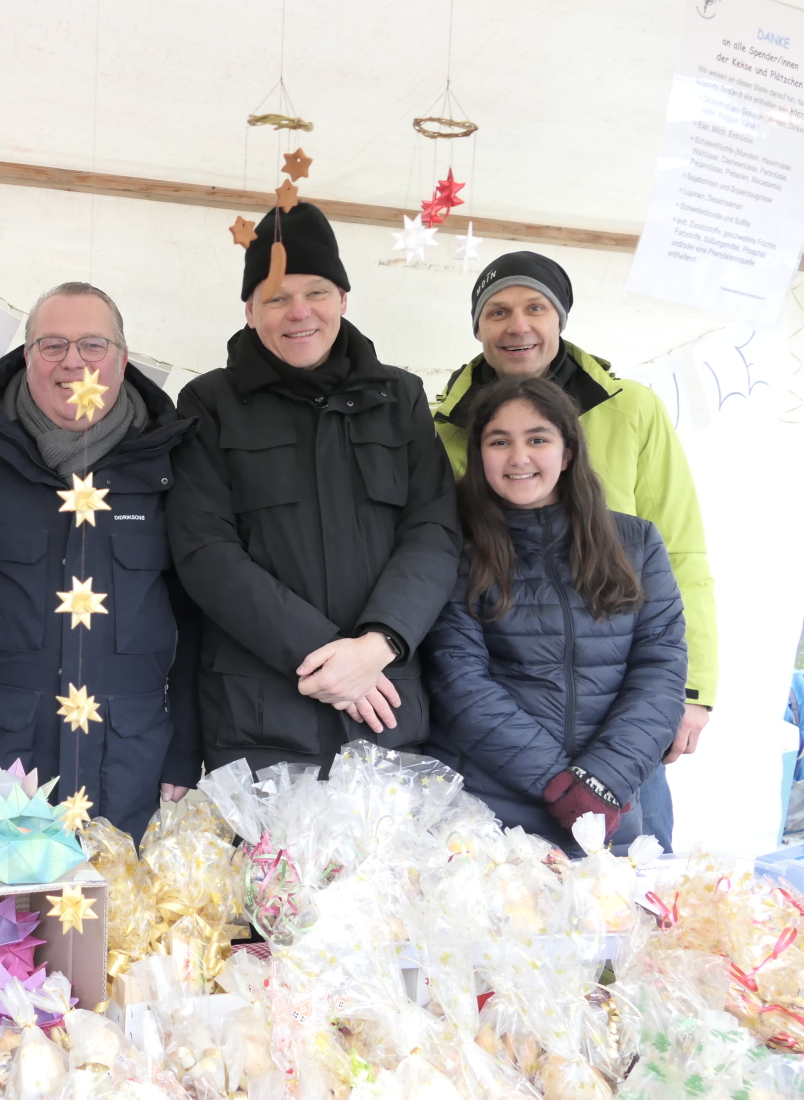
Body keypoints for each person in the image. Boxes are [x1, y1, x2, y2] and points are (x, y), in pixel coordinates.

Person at [0, 282, 200, 843]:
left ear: (123, 360)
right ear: (26, 358)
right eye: (52, 345)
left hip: (130, 779)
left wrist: (185, 751)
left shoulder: (171, 469)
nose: (72, 362)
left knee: (116, 931)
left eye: (92, 345)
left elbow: (198, 620)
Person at [432, 251, 716, 850]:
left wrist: (692, 694)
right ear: (477, 326)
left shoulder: (631, 409)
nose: (518, 325)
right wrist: (558, 780)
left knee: (634, 895)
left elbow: (682, 559)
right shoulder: (440, 427)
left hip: (623, 729)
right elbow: (458, 669)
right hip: (499, 761)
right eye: (498, 310)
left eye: (536, 307)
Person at [167, 203, 461, 773]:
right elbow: (205, 551)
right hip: (262, 718)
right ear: (250, 311)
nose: (299, 312)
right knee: (271, 865)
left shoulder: (400, 398)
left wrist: (377, 646)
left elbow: (435, 532)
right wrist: (323, 657)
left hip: (386, 706)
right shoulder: (210, 404)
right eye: (277, 297)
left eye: (318, 292)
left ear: (344, 300)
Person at [423, 378, 687, 854]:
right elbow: (456, 680)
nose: (518, 457)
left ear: (567, 451)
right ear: (480, 455)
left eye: (538, 439)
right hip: (485, 816)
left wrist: (601, 782)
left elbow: (661, 669)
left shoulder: (636, 542)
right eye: (499, 441)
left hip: (610, 806)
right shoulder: (452, 545)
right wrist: (561, 786)